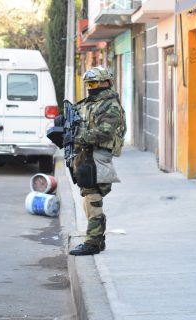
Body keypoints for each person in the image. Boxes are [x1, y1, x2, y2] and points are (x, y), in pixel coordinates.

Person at [67, 66, 126, 256]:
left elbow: (104, 131)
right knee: (88, 197)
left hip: (99, 154)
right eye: (88, 84)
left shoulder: (110, 105)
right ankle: (98, 240)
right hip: (85, 154)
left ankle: (92, 242)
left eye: (94, 83)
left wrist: (77, 137)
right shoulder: (89, 103)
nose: (90, 88)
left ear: (106, 83)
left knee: (93, 198)